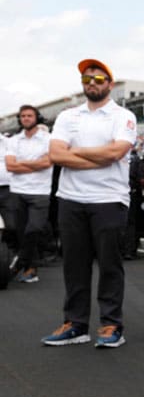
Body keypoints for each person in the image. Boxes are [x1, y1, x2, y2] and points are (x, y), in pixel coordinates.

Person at [42, 58, 136, 347]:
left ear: (109, 83)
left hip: (109, 199)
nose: (92, 83)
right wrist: (98, 154)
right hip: (70, 199)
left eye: (98, 79)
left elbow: (115, 153)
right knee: (74, 265)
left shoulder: (123, 116)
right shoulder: (68, 116)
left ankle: (111, 325)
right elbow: (56, 155)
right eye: (86, 80)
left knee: (109, 265)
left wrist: (77, 151)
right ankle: (75, 323)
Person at [5, 105, 53, 283]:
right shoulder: (14, 140)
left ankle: (18, 261)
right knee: (21, 232)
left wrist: (22, 165)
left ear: (36, 117)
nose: (26, 118)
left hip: (40, 192)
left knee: (34, 229)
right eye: (23, 116)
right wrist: (35, 164)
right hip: (18, 191)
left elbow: (48, 163)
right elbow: (10, 166)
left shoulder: (49, 139)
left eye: (29, 115)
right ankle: (30, 269)